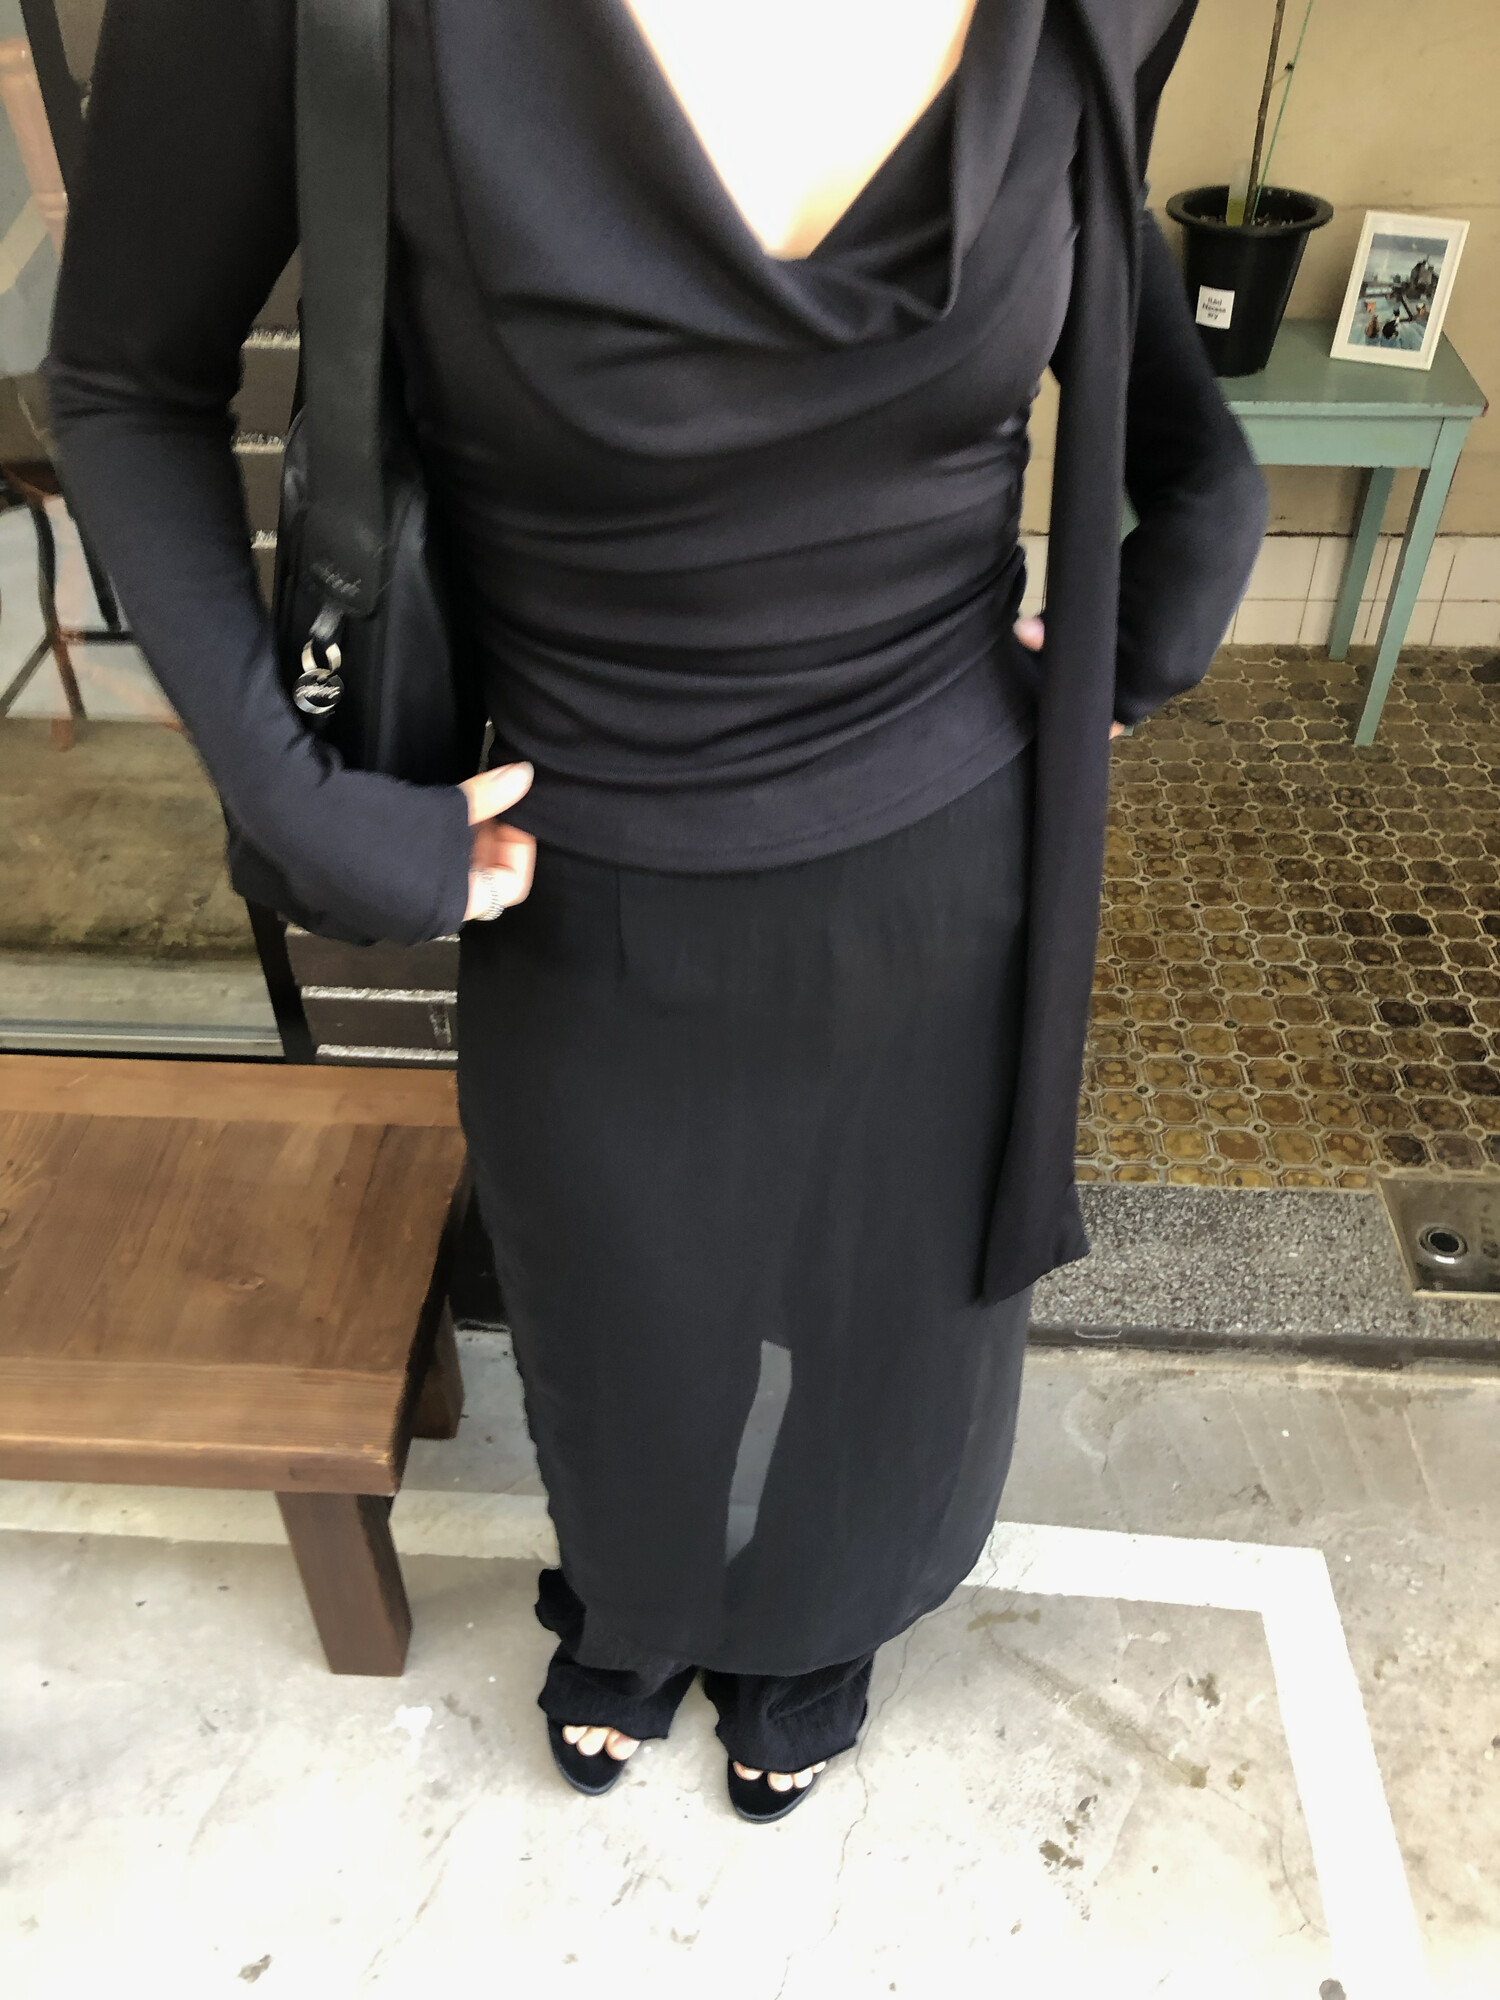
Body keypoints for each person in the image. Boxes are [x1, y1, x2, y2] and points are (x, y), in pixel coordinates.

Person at [44, 0, 1265, 1823]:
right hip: (587, 872)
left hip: (949, 864)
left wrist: (1206, 518)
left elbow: (1101, 247)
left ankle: (814, 1623)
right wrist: (289, 800)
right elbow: (122, 382)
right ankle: (636, 1607)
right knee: (621, 1322)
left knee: (893, 1330)